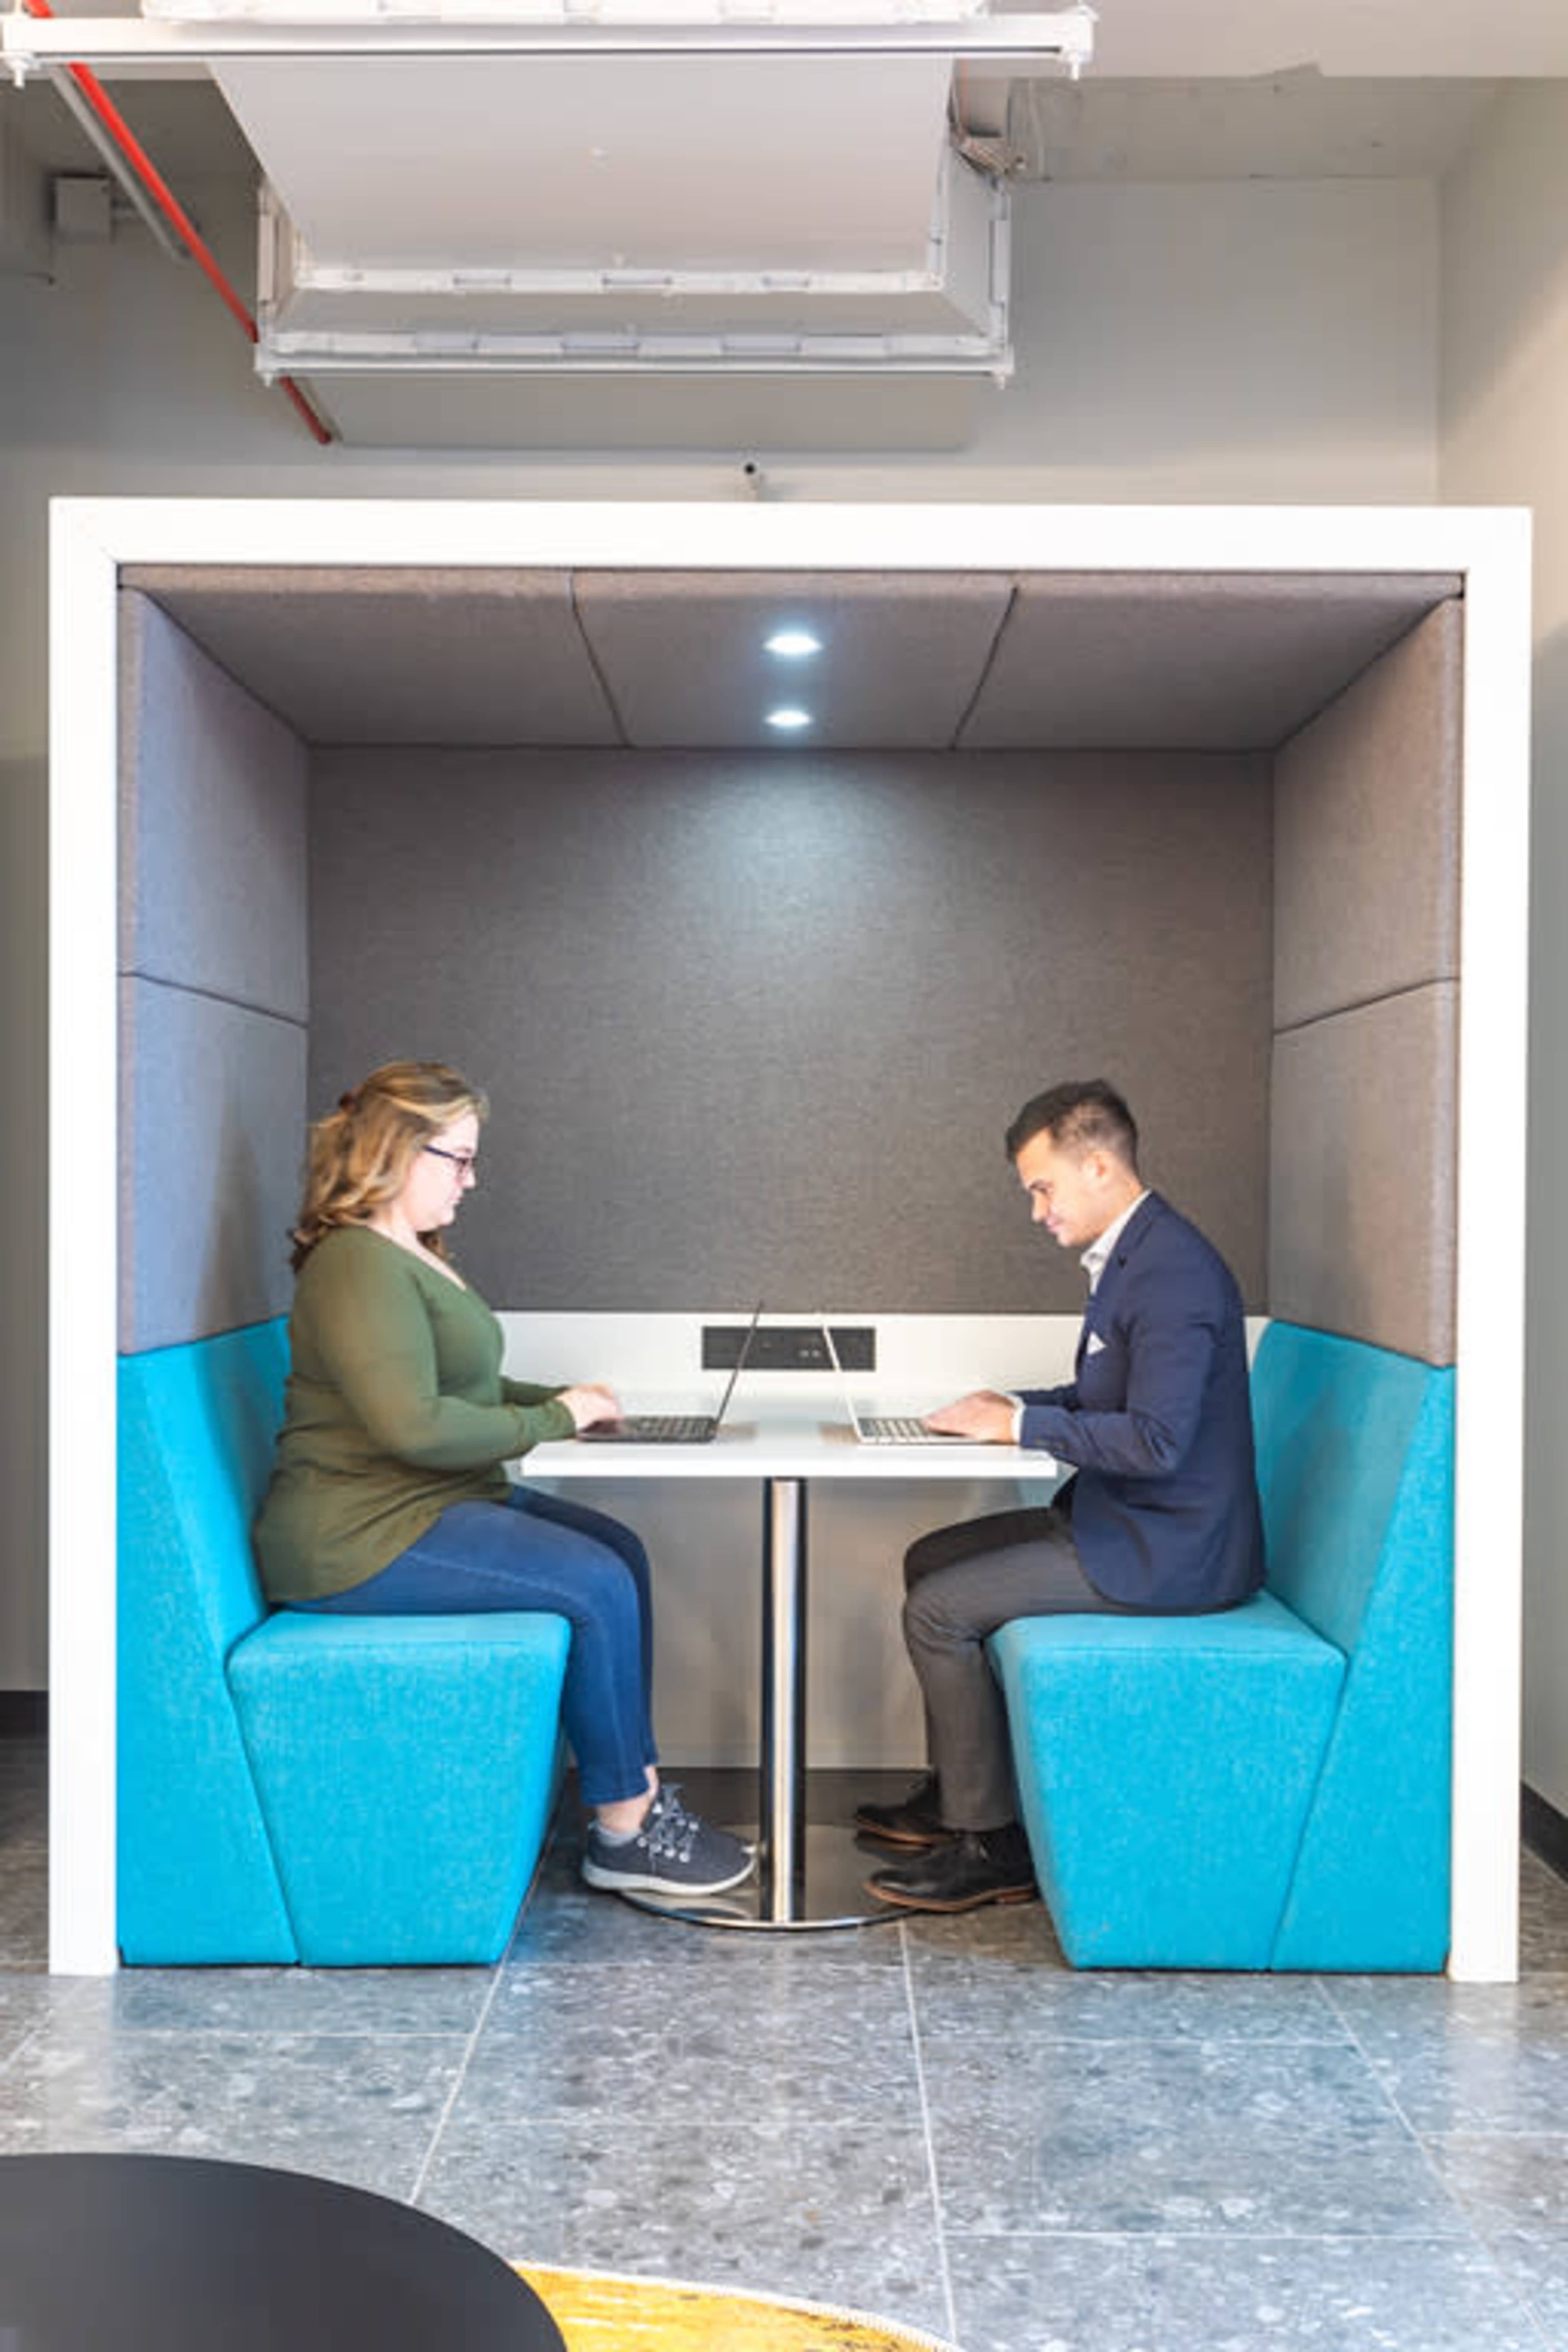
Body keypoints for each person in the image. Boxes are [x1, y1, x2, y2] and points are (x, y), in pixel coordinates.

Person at [253, 1059, 754, 1902]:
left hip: (429, 1505)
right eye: (459, 1158)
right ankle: (625, 1829)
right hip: (357, 1537)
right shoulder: (356, 1265)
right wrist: (554, 1418)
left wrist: (566, 1402)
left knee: (620, 1551)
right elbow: (415, 1426)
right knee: (593, 1581)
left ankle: (639, 1794)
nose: (472, 1179)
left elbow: (465, 1389)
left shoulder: (408, 1253)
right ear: (398, 1150)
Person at [855, 1078, 1265, 1914]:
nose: (1038, 1212)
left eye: (1044, 1189)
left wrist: (1018, 1429)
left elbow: (1155, 1442)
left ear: (1100, 1167)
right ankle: (961, 1791)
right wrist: (1006, 1407)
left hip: (1171, 1552)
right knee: (931, 1558)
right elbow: (1103, 1396)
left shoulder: (1174, 1273)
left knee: (937, 1611)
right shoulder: (1135, 1258)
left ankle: (990, 1845)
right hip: (1129, 1522)